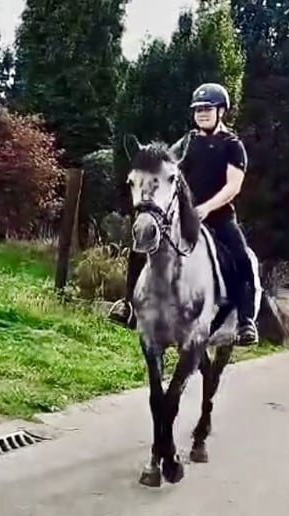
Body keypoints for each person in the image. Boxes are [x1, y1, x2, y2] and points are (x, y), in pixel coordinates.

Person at [109, 82, 260, 346]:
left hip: (219, 216)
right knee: (140, 246)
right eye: (198, 109)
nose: (201, 113)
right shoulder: (188, 143)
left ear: (221, 111)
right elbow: (168, 172)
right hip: (183, 216)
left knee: (242, 258)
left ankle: (246, 321)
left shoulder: (232, 146)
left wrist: (206, 208)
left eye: (207, 108)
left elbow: (233, 187)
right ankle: (128, 306)